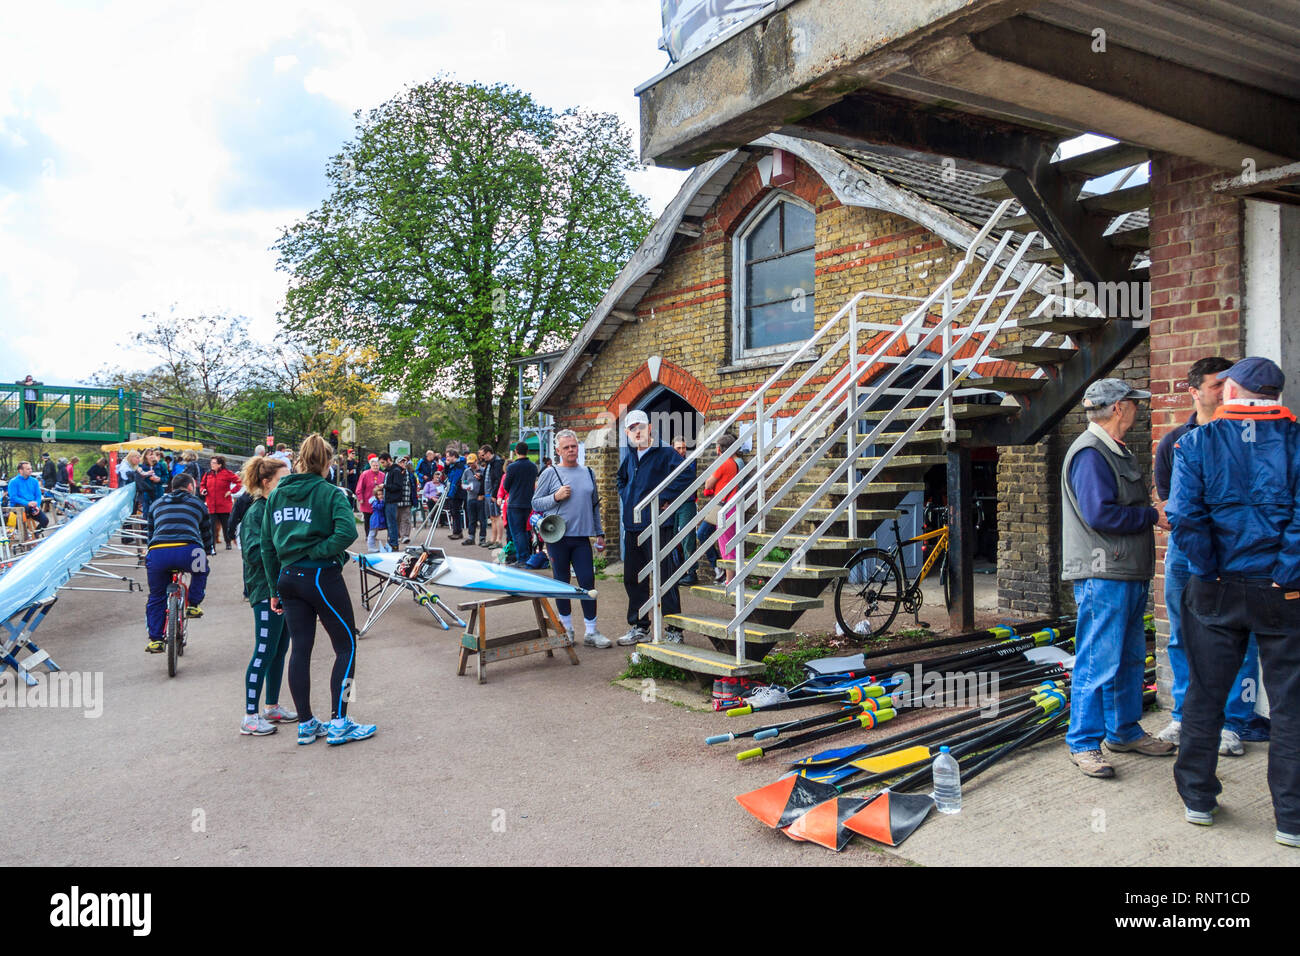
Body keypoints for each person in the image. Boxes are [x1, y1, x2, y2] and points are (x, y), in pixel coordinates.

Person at [1167, 356, 1300, 845]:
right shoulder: (1296, 441)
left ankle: (1198, 800)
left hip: (1216, 587)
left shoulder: (1196, 443)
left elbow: (1184, 516)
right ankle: (1292, 820)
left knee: (1204, 695)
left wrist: (1208, 570)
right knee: (1290, 706)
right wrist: (1285, 573)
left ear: (1231, 391)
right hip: (1282, 591)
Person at [1061, 378, 1174, 779]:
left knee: (1127, 658)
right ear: (1119, 408)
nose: (1138, 410)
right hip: (1104, 573)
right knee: (1097, 661)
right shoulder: (1091, 454)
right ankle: (1083, 743)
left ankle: (1124, 731)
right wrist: (1152, 515)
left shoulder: (1113, 450)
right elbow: (1100, 514)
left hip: (1123, 571)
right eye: (1133, 403)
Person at [1152, 356, 1260, 756]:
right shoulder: (1174, 442)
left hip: (1237, 553)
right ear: (1194, 391)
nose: (1224, 392)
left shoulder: (1248, 437)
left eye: (1227, 385)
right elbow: (1169, 505)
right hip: (1185, 553)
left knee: (1241, 635)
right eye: (1216, 385)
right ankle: (1185, 717)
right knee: (1183, 635)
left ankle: (1233, 723)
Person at [262, 433, 376, 746]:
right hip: (320, 576)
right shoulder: (329, 492)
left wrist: (273, 588)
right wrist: (320, 552)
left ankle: (306, 723)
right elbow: (347, 532)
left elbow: (267, 545)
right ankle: (340, 720)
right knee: (347, 646)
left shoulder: (276, 495)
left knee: (300, 649)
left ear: (300, 460)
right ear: (327, 462)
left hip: (287, 577)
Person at [616, 410, 691, 646]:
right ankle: (640, 627)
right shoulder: (630, 455)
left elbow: (686, 475)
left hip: (658, 525)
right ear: (627, 432)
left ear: (649, 428)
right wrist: (627, 496)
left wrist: (665, 497)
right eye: (632, 428)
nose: (637, 432)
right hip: (633, 526)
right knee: (633, 578)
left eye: (640, 427)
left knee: (665, 577)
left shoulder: (665, 453)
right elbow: (621, 479)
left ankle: (674, 629)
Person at [236, 455, 296, 736]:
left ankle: (271, 706)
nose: (288, 484)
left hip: (282, 588)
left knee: (279, 649)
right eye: (282, 479)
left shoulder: (277, 507)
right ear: (266, 482)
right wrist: (283, 548)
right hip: (263, 590)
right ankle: (250, 716)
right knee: (263, 651)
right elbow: (252, 553)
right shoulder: (256, 512)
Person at [533, 430, 609, 647]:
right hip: (557, 538)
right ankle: (566, 629)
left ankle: (591, 632)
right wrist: (555, 497)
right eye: (566, 447)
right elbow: (536, 503)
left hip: (582, 537)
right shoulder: (550, 473)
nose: (571, 450)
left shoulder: (588, 472)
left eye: (573, 446)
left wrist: (599, 533)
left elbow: (594, 506)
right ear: (558, 450)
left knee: (587, 581)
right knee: (562, 583)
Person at [143, 473, 212, 654]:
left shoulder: (156, 504)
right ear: (190, 487)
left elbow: (150, 533)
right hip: (189, 551)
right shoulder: (198, 503)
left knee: (156, 596)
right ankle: (193, 605)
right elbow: (206, 532)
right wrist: (207, 551)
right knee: (201, 570)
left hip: (158, 552)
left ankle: (156, 640)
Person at [701, 433, 741, 587]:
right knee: (729, 543)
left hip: (724, 507)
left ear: (719, 449)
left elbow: (708, 484)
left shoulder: (723, 463)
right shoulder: (734, 463)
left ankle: (730, 580)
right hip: (731, 506)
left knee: (726, 545)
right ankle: (730, 579)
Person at [503, 441, 539, 566]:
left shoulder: (512, 467)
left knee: (517, 532)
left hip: (515, 502)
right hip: (529, 502)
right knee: (526, 531)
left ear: (516, 451)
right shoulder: (533, 467)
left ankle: (522, 558)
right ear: (527, 451)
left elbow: (506, 485)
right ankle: (528, 556)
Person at [671, 436, 699, 584]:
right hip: (671, 504)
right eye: (678, 448)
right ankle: (677, 571)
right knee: (671, 537)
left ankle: (692, 572)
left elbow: (687, 481)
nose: (681, 451)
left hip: (687, 503)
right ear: (672, 448)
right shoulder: (667, 462)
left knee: (688, 538)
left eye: (684, 448)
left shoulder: (690, 462)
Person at [201, 455, 241, 550]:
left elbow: (239, 482)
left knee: (226, 525)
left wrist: (231, 491)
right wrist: (203, 490)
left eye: (214, 463)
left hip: (224, 505)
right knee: (212, 526)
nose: (212, 464)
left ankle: (228, 542)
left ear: (220, 464)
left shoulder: (227, 473)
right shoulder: (207, 474)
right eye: (211, 462)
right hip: (211, 504)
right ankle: (212, 545)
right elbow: (202, 485)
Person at [6, 461, 49, 535]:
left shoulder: (34, 481)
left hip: (32, 507)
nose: (31, 470)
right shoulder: (13, 482)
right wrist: (28, 503)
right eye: (28, 469)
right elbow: (13, 497)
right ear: (20, 470)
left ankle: (34, 536)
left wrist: (37, 505)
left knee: (45, 520)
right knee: (26, 509)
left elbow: (38, 496)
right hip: (18, 506)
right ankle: (22, 532)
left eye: (31, 468)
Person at [380, 452, 408, 551]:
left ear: (388, 460)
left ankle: (394, 544)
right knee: (390, 523)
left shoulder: (396, 471)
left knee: (392, 523)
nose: (382, 465)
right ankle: (391, 542)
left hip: (392, 500)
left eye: (383, 462)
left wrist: (385, 486)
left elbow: (398, 486)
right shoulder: (389, 471)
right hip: (388, 500)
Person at [480, 444, 505, 549]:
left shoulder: (497, 462)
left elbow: (498, 480)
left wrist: (495, 494)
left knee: (497, 516)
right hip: (488, 494)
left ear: (488, 453)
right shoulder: (489, 463)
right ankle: (493, 539)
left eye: (483, 455)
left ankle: (499, 540)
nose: (482, 457)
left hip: (492, 494)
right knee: (492, 517)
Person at [135, 449, 168, 521]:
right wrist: (144, 475)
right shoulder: (141, 466)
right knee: (146, 512)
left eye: (153, 454)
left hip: (158, 492)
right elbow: (137, 479)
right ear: (146, 456)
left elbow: (166, 476)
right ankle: (146, 526)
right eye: (150, 454)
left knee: (158, 511)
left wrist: (160, 479)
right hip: (146, 493)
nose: (152, 456)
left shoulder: (160, 465)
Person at [461, 453, 485, 546]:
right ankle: (471, 537)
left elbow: (486, 483)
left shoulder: (483, 470)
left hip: (481, 498)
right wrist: (465, 486)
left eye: (472, 462)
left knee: (482, 519)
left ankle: (482, 538)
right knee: (471, 519)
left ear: (476, 461)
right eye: (469, 463)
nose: (470, 465)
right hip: (470, 497)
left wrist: (481, 478)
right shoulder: (466, 471)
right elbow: (463, 482)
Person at [355, 453, 384, 532]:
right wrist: (360, 498)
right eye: (374, 465)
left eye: (377, 465)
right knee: (367, 519)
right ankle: (368, 535)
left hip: (378, 502)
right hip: (366, 501)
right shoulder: (365, 474)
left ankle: (373, 534)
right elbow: (359, 487)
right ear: (370, 465)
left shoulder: (382, 475)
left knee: (376, 519)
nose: (375, 467)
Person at [444, 447, 467, 539]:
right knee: (453, 512)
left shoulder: (460, 465)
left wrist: (451, 493)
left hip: (458, 492)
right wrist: (446, 465)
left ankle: (458, 532)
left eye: (448, 457)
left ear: (453, 456)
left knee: (456, 511)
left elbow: (456, 480)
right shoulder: (453, 465)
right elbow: (447, 474)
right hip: (453, 491)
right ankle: (456, 531)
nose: (447, 459)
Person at [366, 485, 391, 552]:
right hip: (375, 519)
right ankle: (370, 547)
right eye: (379, 495)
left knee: (374, 533)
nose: (381, 496)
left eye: (382, 494)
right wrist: (382, 502)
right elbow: (379, 507)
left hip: (378, 519)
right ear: (376, 496)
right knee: (372, 534)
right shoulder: (375, 502)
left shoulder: (378, 501)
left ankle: (372, 547)